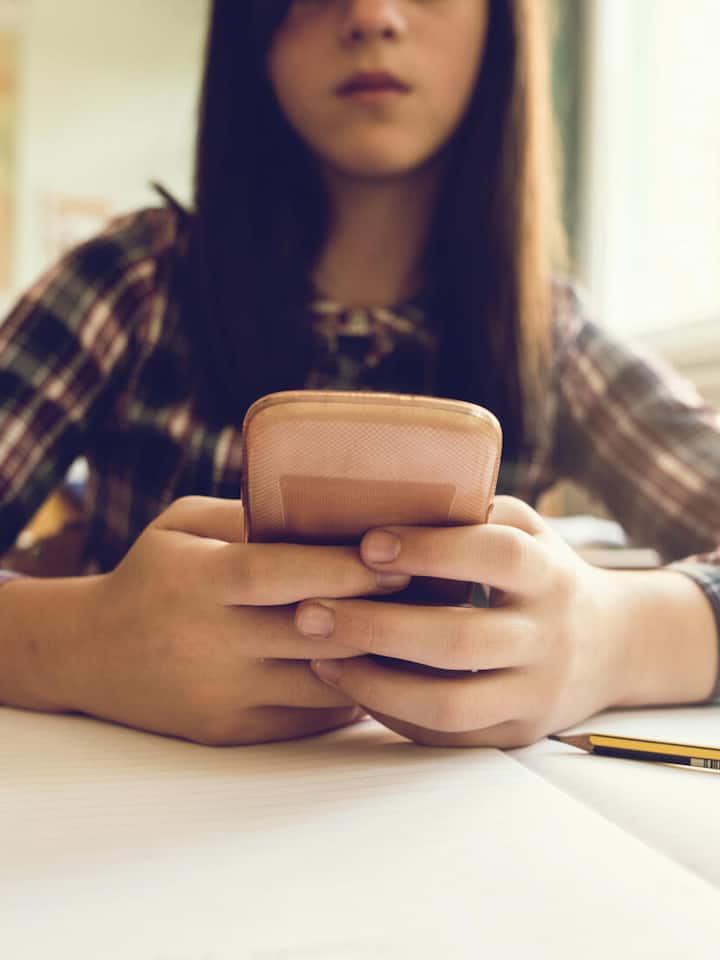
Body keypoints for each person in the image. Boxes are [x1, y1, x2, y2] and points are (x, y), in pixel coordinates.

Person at [0, 0, 718, 749]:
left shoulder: (553, 338)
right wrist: (80, 644)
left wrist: (614, 639)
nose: (372, 15)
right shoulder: (132, 283)